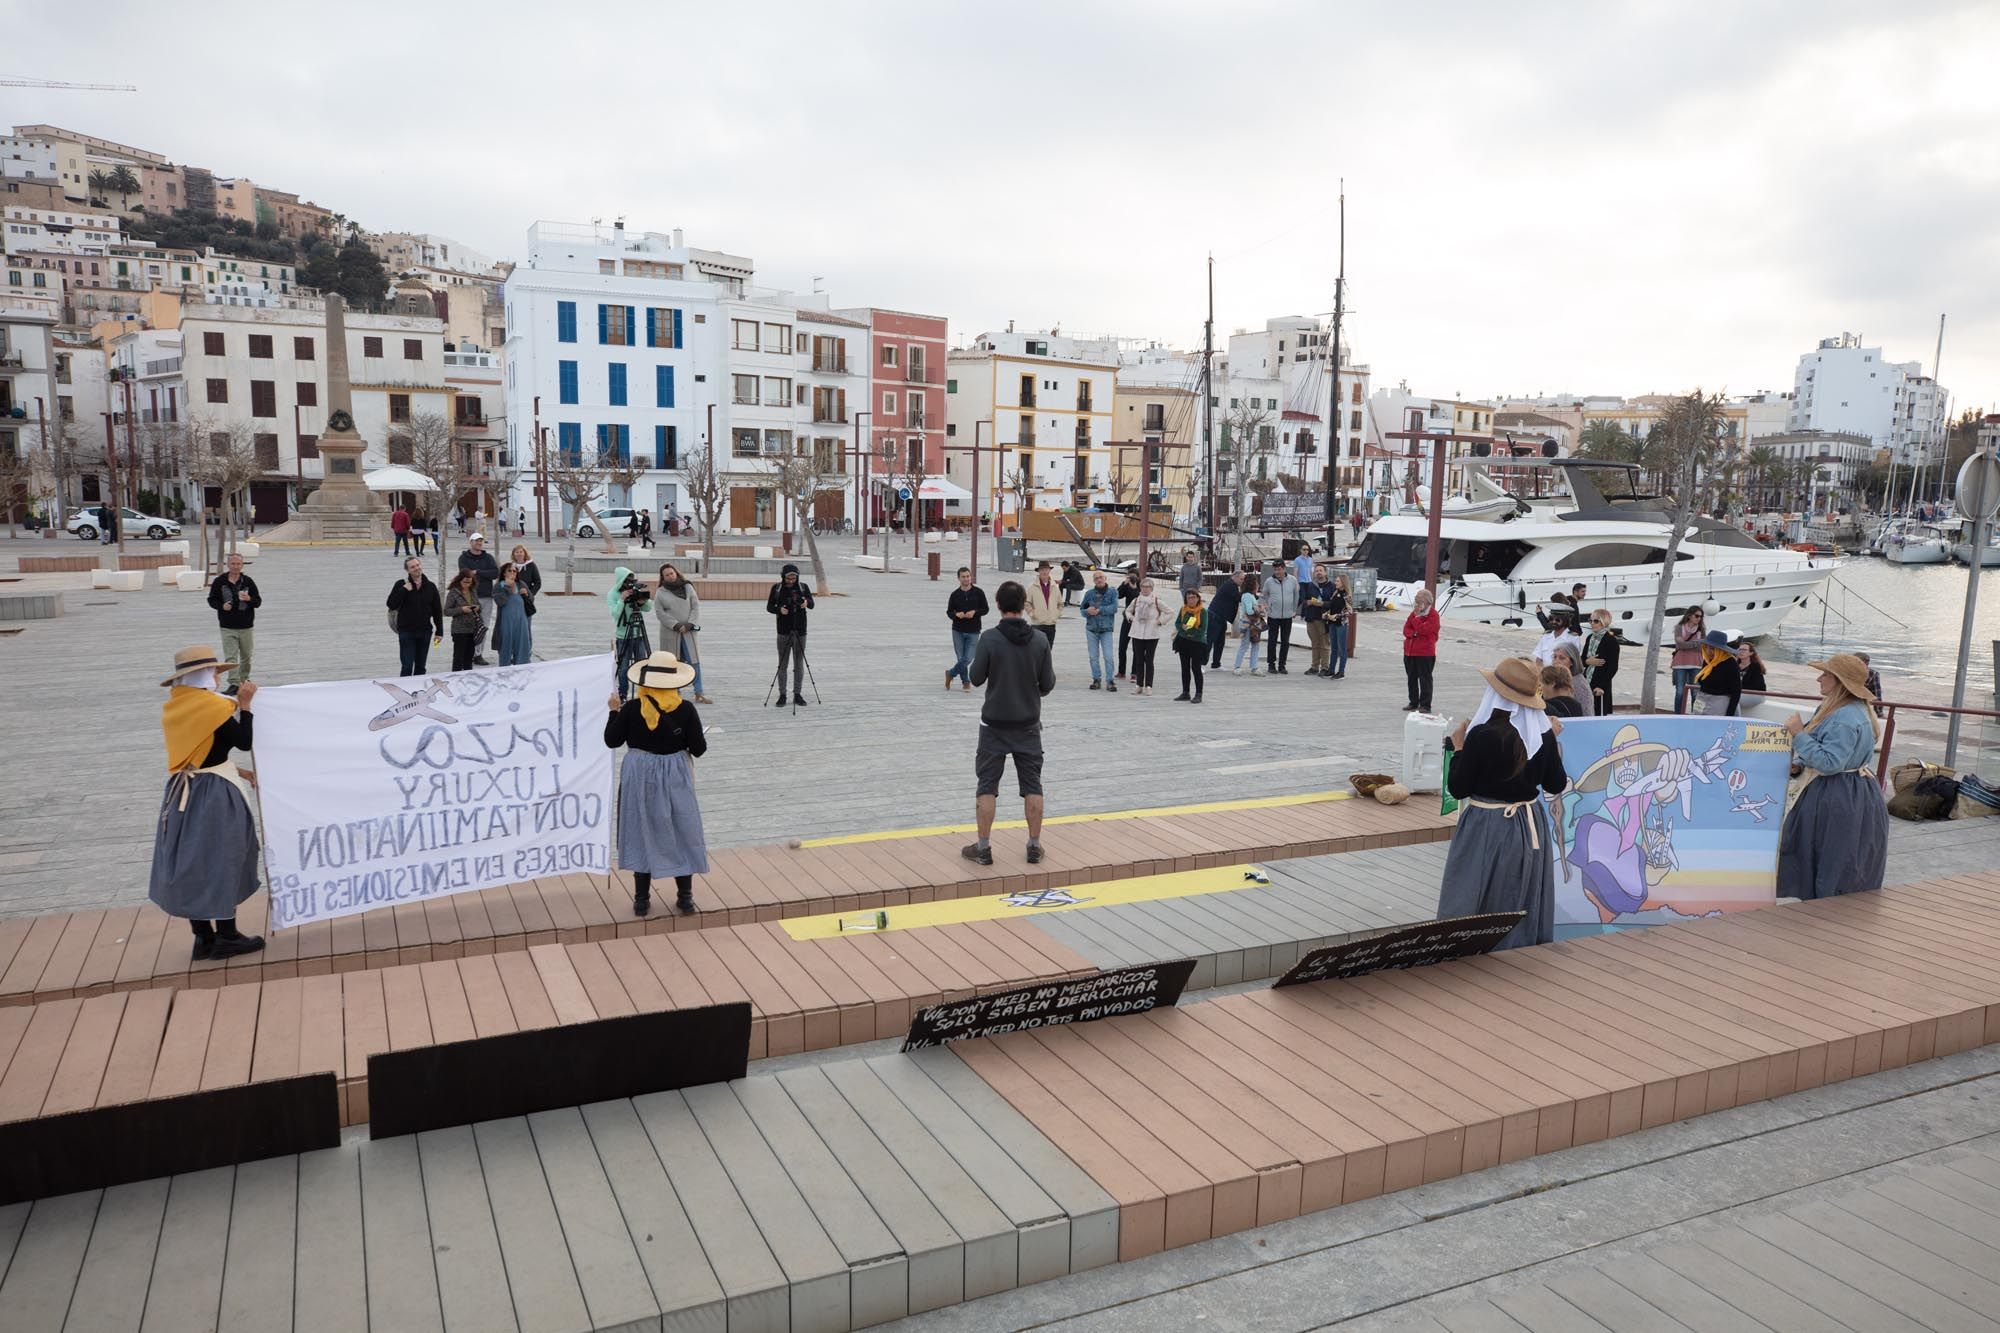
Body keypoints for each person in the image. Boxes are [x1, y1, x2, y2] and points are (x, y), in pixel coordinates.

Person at [1437, 656, 1567, 951]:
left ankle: (1467, 953)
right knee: (1519, 892)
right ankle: (1516, 953)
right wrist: (1552, 742)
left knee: (1474, 892)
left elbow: (1458, 788)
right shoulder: (1541, 734)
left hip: (1488, 824)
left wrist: (1459, 748)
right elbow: (1555, 784)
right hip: (1528, 824)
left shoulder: (1482, 735)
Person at [150, 646, 265, 961]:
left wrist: (239, 770)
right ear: (202, 674)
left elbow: (201, 752)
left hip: (183, 791)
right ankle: (227, 936)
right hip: (214, 794)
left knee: (191, 860)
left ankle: (203, 938)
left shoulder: (177, 706)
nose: (218, 676)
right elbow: (242, 740)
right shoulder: (210, 708)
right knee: (224, 856)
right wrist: (245, 705)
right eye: (214, 671)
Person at [606, 649, 708, 917]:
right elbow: (699, 749)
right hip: (674, 773)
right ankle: (685, 898)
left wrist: (613, 712)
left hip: (639, 772)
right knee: (680, 828)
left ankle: (641, 899)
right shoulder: (685, 709)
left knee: (641, 828)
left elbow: (612, 741)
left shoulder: (630, 709)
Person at [1779, 653, 1887, 900]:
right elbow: (1831, 752)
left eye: (1825, 674)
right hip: (1855, 792)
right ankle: (1833, 914)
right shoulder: (1848, 710)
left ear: (1839, 681)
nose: (1820, 678)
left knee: (1828, 857)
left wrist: (1798, 734)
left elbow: (1830, 763)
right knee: (1844, 860)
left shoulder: (1844, 717)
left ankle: (1825, 916)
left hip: (1836, 795)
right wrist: (1799, 763)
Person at [963, 580, 1056, 866]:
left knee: (987, 785)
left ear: (999, 604)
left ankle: (983, 847)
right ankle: (1033, 845)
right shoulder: (1040, 640)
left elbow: (976, 677)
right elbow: (1048, 683)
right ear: (1023, 605)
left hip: (994, 725)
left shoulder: (990, 638)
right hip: (1028, 724)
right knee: (1032, 786)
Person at [655, 563, 712, 703]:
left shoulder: (687, 586)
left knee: (694, 661)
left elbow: (695, 606)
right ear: (663, 578)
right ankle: (675, 692)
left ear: (676, 572)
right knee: (673, 662)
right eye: (667, 575)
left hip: (688, 631)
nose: (670, 576)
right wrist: (675, 624)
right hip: (671, 633)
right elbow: (659, 612)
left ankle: (699, 692)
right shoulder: (660, 592)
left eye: (672, 573)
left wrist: (690, 623)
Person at [206, 552, 260, 695]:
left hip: (246, 626)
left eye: (238, 564)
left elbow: (258, 602)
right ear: (228, 565)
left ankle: (244, 680)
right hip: (227, 626)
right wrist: (221, 606)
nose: (236, 566)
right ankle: (234, 684)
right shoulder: (220, 581)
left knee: (246, 656)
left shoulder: (248, 581)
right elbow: (211, 600)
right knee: (230, 657)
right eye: (233, 564)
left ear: (242, 565)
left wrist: (249, 599)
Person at [767, 562, 814, 707]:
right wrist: (779, 610)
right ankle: (782, 695)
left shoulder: (803, 587)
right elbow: (769, 607)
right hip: (783, 631)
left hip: (800, 631)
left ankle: (797, 694)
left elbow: (812, 604)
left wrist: (806, 602)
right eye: (788, 578)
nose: (791, 581)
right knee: (782, 664)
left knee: (799, 664)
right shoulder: (777, 588)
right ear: (783, 577)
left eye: (794, 578)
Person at [387, 556, 444, 676]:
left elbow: (437, 611)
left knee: (420, 666)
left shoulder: (431, 586)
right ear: (407, 570)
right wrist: (403, 590)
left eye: (417, 565)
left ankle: (419, 692)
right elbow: (391, 604)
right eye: (412, 567)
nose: (416, 568)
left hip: (425, 632)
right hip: (406, 632)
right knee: (407, 666)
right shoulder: (401, 584)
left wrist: (440, 632)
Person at [609, 566, 653, 701]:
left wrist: (642, 601)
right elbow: (615, 614)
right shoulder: (613, 594)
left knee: (642, 664)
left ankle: (644, 692)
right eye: (626, 581)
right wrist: (622, 599)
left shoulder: (635, 591)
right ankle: (623, 694)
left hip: (638, 634)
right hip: (623, 636)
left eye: (631, 580)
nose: (629, 584)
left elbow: (648, 608)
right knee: (623, 666)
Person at [1125, 576, 1172, 695]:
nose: (1145, 589)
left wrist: (1160, 621)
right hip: (1137, 633)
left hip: (1152, 634)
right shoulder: (1136, 600)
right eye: (1143, 587)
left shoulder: (1156, 601)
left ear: (1152, 588)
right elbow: (1127, 611)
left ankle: (1149, 685)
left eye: (1148, 587)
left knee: (1149, 660)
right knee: (1139, 660)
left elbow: (1170, 612)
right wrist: (1131, 618)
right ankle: (1139, 685)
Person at [458, 533, 500, 666]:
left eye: (481, 541)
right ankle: (468, 652)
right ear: (471, 542)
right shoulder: (463, 558)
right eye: (476, 541)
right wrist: (476, 573)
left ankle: (478, 654)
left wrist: (478, 572)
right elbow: (465, 574)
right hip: (470, 597)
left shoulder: (488, 557)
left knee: (483, 626)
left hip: (486, 597)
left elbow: (495, 573)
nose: (479, 543)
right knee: (470, 626)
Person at [945, 565, 988, 692]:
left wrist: (974, 612)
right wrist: (956, 615)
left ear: (971, 577)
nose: (966, 579)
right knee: (960, 657)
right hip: (957, 630)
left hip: (974, 630)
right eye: (963, 577)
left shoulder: (978, 592)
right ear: (959, 578)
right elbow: (949, 612)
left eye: (968, 576)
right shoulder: (955, 595)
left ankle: (950, 673)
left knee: (968, 658)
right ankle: (966, 682)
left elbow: (985, 609)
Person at [1080, 569, 1120, 691]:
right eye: (1096, 578)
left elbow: (1114, 608)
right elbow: (1082, 610)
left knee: (1108, 656)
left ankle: (1110, 680)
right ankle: (1096, 679)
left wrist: (1100, 610)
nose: (1099, 579)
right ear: (1093, 580)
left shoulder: (1112, 592)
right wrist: (1087, 611)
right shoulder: (1089, 594)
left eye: (1100, 577)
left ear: (1105, 578)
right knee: (1093, 656)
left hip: (1106, 628)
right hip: (1092, 628)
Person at [1402, 587, 1439, 711]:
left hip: (1425, 653)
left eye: (1420, 602)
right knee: (1411, 678)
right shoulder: (1414, 613)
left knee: (1425, 679)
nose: (1417, 604)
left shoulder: (1433, 615)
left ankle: (1425, 705)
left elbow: (1425, 630)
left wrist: (1417, 620)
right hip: (1410, 651)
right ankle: (1413, 702)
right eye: (1416, 601)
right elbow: (1406, 629)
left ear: (1428, 602)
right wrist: (1414, 633)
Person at [1171, 588, 1209, 702]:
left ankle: (1198, 694)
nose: (1191, 600)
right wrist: (1182, 628)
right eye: (1189, 598)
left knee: (1196, 668)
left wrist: (1189, 633)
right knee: (1185, 667)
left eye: (1193, 597)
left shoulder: (1202, 611)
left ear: (1198, 598)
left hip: (1197, 643)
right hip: (1183, 642)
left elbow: (1202, 630)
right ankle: (1185, 692)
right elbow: (1177, 623)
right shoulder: (1183, 609)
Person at [1261, 561, 1298, 674]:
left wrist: (1294, 609)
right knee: (1272, 640)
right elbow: (1264, 595)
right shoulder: (1269, 582)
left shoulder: (1292, 580)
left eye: (1279, 569)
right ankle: (1271, 664)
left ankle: (1282, 665)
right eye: (1275, 569)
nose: (1277, 572)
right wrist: (1267, 607)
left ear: (1284, 569)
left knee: (1285, 641)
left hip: (1288, 616)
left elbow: (1296, 595)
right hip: (1273, 616)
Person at [492, 562, 532, 666]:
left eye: (515, 571)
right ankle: (504, 670)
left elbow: (531, 600)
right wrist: (507, 587)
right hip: (506, 621)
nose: (512, 572)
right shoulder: (499, 585)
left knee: (522, 645)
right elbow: (500, 602)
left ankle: (522, 669)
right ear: (504, 573)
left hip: (521, 620)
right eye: (509, 570)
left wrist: (526, 594)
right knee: (505, 645)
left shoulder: (521, 584)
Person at [1694, 628, 1742, 715]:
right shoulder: (1708, 661)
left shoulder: (1730, 663)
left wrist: (1729, 713)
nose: (1708, 651)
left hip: (1719, 703)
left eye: (1712, 648)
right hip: (1701, 699)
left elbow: (1736, 691)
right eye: (1706, 647)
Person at [443, 569, 483, 672]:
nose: (467, 584)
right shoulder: (453, 592)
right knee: (458, 657)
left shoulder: (473, 590)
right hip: (459, 630)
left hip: (473, 628)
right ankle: (455, 679)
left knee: (469, 657)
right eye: (465, 582)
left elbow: (479, 604)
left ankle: (468, 679)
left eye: (469, 582)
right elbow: (446, 611)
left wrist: (478, 607)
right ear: (459, 580)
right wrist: (461, 609)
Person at [1583, 608, 1621, 715]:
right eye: (1590, 620)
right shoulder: (1590, 638)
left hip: (1600, 685)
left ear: (1604, 622)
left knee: (1599, 713)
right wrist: (1588, 661)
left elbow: (1613, 667)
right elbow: (1582, 660)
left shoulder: (1611, 641)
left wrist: (1601, 686)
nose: (1592, 623)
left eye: (1596, 621)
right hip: (1587, 682)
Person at [1670, 607, 1706, 713]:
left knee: (1695, 693)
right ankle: (1678, 715)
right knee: (1680, 692)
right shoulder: (1679, 627)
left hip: (1696, 664)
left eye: (1701, 616)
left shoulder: (1701, 630)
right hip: (1679, 664)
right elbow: (1680, 644)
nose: (1699, 618)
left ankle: (1695, 715)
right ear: (1689, 615)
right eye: (1697, 616)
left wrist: (1686, 645)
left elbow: (1702, 647)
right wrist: (1696, 643)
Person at [1206, 568, 1243, 670]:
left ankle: (1216, 664)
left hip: (1222, 618)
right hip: (1215, 616)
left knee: (1220, 642)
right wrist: (1254, 597)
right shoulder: (1230, 585)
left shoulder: (1233, 585)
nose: (1242, 581)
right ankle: (1201, 664)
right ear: (1235, 577)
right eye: (1241, 579)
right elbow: (1239, 598)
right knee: (1210, 640)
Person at [1300, 564, 1334, 676]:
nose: (1318, 572)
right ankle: (1314, 667)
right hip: (1311, 617)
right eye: (1316, 571)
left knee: (1325, 644)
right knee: (1315, 644)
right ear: (1314, 573)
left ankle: (1325, 667)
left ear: (1325, 573)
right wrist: (1308, 602)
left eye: (1320, 570)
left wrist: (1322, 603)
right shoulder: (1310, 585)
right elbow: (1303, 600)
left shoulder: (1331, 586)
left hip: (1324, 618)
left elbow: (1334, 603)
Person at [1232, 578, 1264, 675]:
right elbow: (1249, 611)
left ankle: (1254, 667)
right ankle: (1237, 666)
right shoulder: (1247, 596)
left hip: (1254, 624)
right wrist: (1259, 609)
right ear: (1252, 585)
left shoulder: (1251, 596)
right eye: (1256, 584)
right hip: (1249, 624)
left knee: (1255, 645)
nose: (1258, 586)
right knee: (1245, 645)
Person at [1025, 560, 1062, 645]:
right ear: (1038, 571)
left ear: (1049, 570)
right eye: (1042, 570)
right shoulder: (1032, 587)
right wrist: (1033, 614)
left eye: (1046, 569)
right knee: (1036, 651)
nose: (1044, 572)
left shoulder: (1055, 587)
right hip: (1037, 624)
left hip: (1051, 624)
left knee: (1048, 650)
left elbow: (1060, 604)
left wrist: (1056, 614)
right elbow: (1027, 603)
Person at [1553, 642, 1593, 713]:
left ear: (1572, 662)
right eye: (1554, 657)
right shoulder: (1554, 679)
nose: (1556, 661)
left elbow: (1586, 712)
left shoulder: (1578, 684)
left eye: (1562, 658)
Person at [1325, 573, 1352, 680]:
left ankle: (1341, 672)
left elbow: (1349, 611)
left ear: (1343, 583)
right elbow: (1332, 606)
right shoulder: (1335, 592)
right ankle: (1331, 670)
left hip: (1341, 624)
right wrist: (1327, 614)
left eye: (1337, 581)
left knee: (1342, 649)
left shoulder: (1347, 595)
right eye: (1335, 581)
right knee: (1334, 648)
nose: (1335, 583)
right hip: (1332, 623)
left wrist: (1338, 615)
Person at [1115, 568, 1140, 679]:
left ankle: (1134, 672)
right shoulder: (1126, 585)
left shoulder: (1142, 586)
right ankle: (1121, 671)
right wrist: (1124, 584)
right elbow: (1117, 595)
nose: (1132, 578)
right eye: (1130, 576)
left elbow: (1139, 597)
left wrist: (1134, 586)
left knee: (1136, 648)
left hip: (1138, 621)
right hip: (1127, 620)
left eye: (1134, 576)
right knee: (1122, 647)